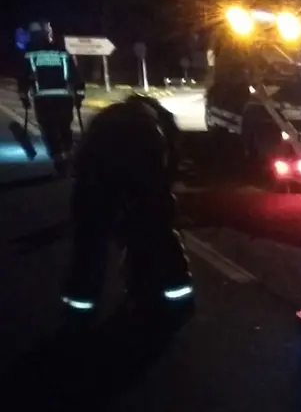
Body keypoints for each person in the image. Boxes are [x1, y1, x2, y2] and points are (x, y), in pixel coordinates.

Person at [61, 94, 194, 325]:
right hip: (140, 176)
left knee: (90, 245)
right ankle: (175, 299)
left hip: (94, 181)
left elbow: (81, 162)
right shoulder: (156, 126)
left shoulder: (105, 119)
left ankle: (79, 309)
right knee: (157, 236)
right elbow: (166, 171)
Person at [16, 19, 85, 175]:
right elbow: (76, 75)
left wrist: (24, 96)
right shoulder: (62, 52)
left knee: (49, 130)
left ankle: (59, 160)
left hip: (43, 99)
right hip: (64, 98)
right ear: (48, 34)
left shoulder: (30, 53)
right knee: (65, 127)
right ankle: (68, 157)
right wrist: (80, 94)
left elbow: (24, 77)